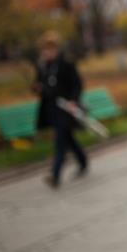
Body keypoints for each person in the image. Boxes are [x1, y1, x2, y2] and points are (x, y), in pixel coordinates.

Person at [33, 30, 88, 188]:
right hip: (51, 109)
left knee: (60, 140)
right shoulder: (43, 66)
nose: (48, 52)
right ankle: (83, 161)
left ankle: (55, 175)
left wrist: (73, 100)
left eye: (51, 49)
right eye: (45, 49)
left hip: (65, 108)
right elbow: (39, 84)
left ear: (57, 49)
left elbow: (77, 84)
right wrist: (37, 88)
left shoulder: (65, 63)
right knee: (68, 139)